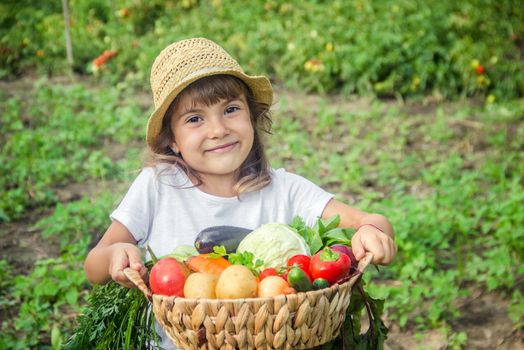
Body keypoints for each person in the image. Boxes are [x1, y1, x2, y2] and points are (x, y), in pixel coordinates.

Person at [84, 37, 397, 349]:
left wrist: (371, 230)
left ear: (251, 115)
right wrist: (115, 255)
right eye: (195, 119)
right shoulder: (158, 186)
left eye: (230, 109)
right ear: (172, 139)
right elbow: (94, 265)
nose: (218, 129)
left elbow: (368, 220)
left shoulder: (285, 190)